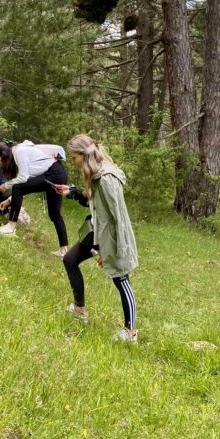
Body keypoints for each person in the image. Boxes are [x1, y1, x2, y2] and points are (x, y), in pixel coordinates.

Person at [54, 134, 138, 343]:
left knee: (121, 278)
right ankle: (79, 310)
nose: (73, 162)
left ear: (84, 155)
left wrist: (108, 249)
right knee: (70, 260)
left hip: (112, 237)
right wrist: (72, 192)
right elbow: (93, 201)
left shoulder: (107, 178)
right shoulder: (95, 174)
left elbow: (117, 217)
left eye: (74, 158)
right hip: (97, 231)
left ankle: (130, 333)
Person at [0, 140, 69, 257]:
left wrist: (6, 185)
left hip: (54, 173)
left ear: (3, 155)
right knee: (54, 214)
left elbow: (22, 179)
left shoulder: (19, 152)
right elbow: (28, 184)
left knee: (17, 187)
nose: (0, 163)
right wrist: (9, 200)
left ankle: (10, 227)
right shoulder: (22, 152)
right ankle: (64, 251)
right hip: (59, 173)